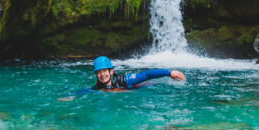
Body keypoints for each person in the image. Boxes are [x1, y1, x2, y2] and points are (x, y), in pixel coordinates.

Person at [58, 56, 186, 100]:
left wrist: (169, 73)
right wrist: (72, 95)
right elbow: (86, 91)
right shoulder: (98, 87)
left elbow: (146, 75)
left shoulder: (124, 80)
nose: (102, 75)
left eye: (105, 71)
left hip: (145, 89)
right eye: (99, 72)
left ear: (111, 71)